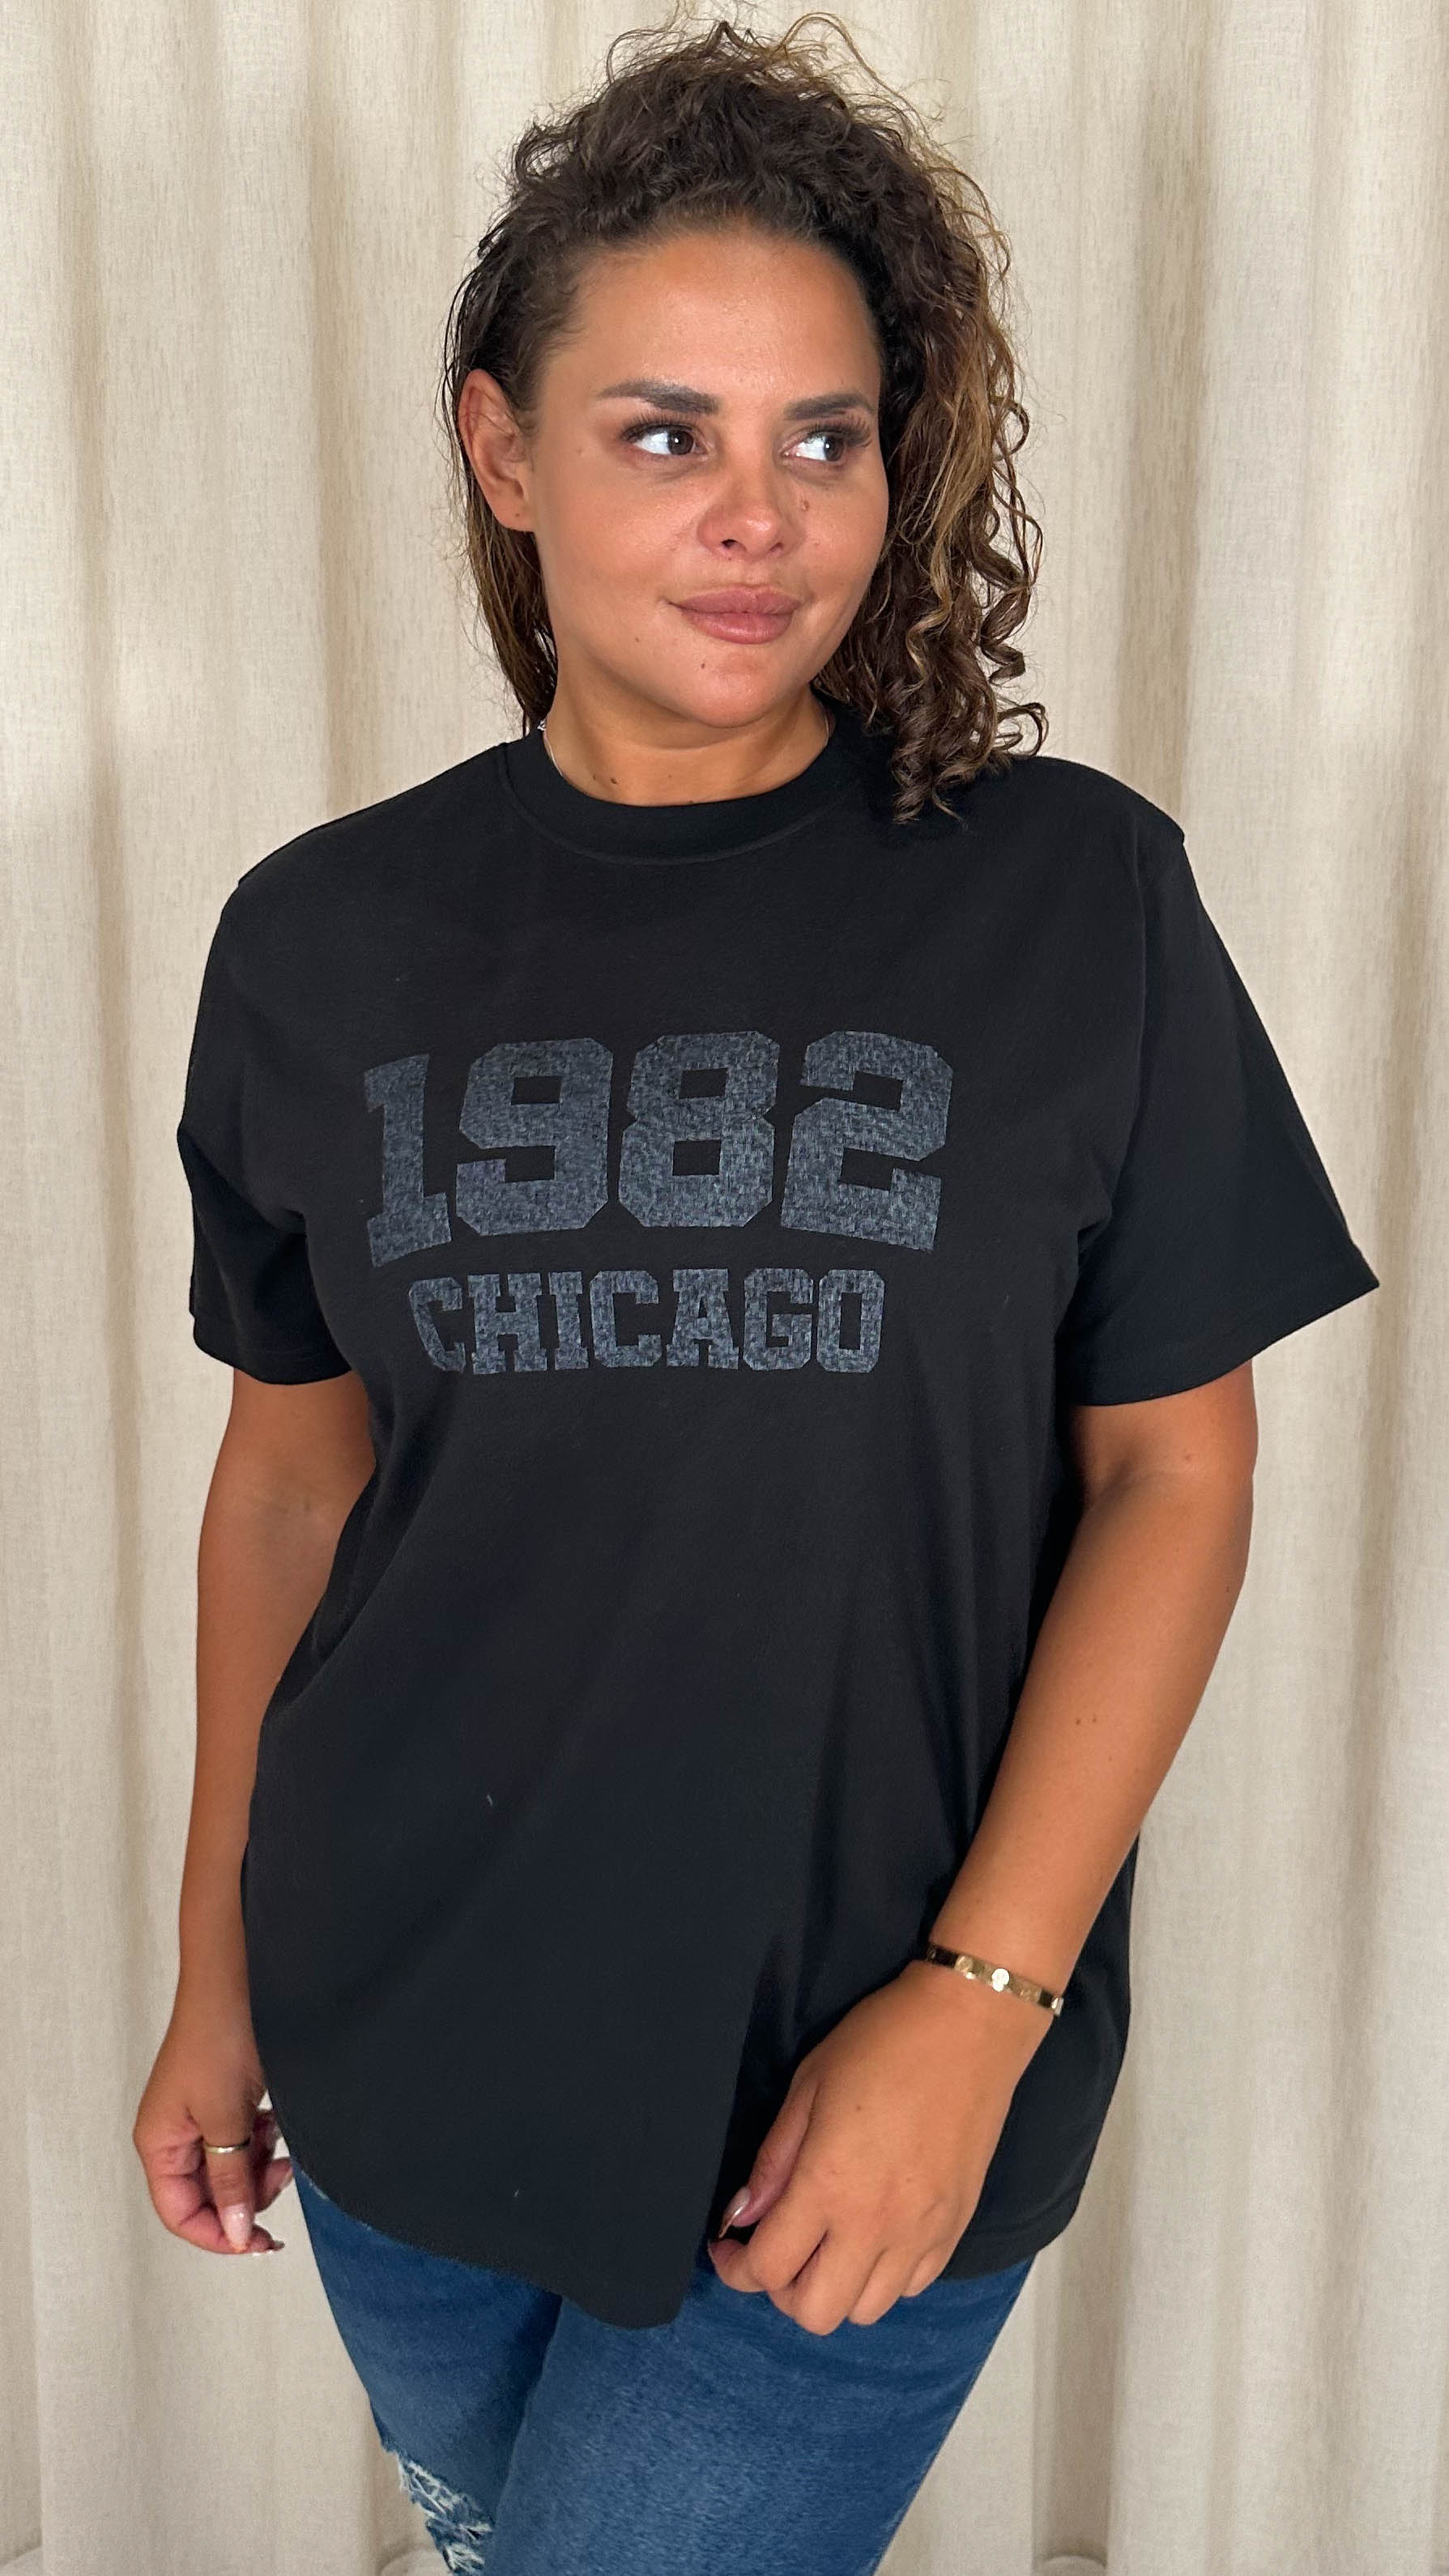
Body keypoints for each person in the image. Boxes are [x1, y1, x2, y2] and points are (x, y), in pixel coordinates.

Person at [131, 13, 1380, 2572]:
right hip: (403, 2044)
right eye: (663, 433)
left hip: (866, 2088)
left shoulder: (1073, 901)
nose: (758, 518)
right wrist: (217, 1976)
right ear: (505, 453)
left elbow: (1178, 1473)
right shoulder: (320, 939)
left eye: (825, 438)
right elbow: (288, 1494)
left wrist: (983, 2005)